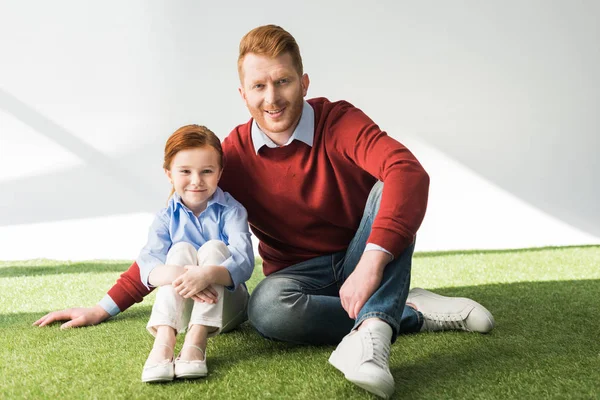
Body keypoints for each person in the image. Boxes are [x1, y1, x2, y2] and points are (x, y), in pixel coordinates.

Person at [35, 25, 495, 398]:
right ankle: (407, 310)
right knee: (267, 312)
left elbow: (408, 172)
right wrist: (104, 306)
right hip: (297, 276)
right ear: (243, 93)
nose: (272, 98)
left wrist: (372, 264)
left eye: (283, 81)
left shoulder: (339, 120)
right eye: (259, 86)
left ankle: (375, 327)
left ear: (304, 83)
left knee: (391, 184)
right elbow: (178, 234)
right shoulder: (229, 157)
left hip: (360, 255)